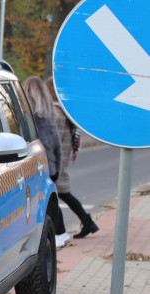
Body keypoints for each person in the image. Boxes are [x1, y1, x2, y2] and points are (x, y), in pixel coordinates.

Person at [45, 77, 99, 241]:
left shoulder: (54, 114)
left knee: (53, 196)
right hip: (63, 158)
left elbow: (54, 140)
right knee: (63, 194)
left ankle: (60, 232)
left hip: (55, 161)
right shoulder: (64, 112)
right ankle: (87, 222)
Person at [23, 76, 64, 244]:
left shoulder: (28, 120)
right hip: (50, 167)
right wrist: (56, 170)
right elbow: (57, 146)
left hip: (34, 170)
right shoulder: (49, 117)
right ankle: (59, 234)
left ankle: (57, 235)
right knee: (46, 205)